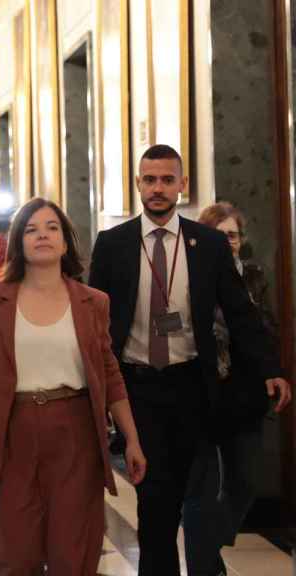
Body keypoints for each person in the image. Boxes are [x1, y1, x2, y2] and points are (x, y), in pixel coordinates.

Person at [88, 144, 291, 576]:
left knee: (198, 495)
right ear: (138, 184)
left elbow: (240, 313)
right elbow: (95, 324)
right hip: (138, 388)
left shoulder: (210, 245)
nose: (157, 189)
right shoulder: (113, 245)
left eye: (166, 180)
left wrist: (270, 369)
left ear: (182, 185)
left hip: (193, 388)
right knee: (155, 501)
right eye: (149, 179)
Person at [0, 197, 147, 576]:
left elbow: (110, 373)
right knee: (15, 551)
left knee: (72, 551)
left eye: (52, 228)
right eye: (31, 229)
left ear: (65, 242)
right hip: (11, 431)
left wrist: (132, 438)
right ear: (18, 242)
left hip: (75, 431)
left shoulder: (93, 302)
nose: (42, 235)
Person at [182, 202, 279, 576]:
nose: (228, 242)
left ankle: (207, 548)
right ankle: (206, 563)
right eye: (220, 235)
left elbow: (267, 326)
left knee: (245, 482)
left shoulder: (253, 276)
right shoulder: (192, 277)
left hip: (246, 392)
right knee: (203, 489)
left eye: (233, 235)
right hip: (207, 392)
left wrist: (274, 370)